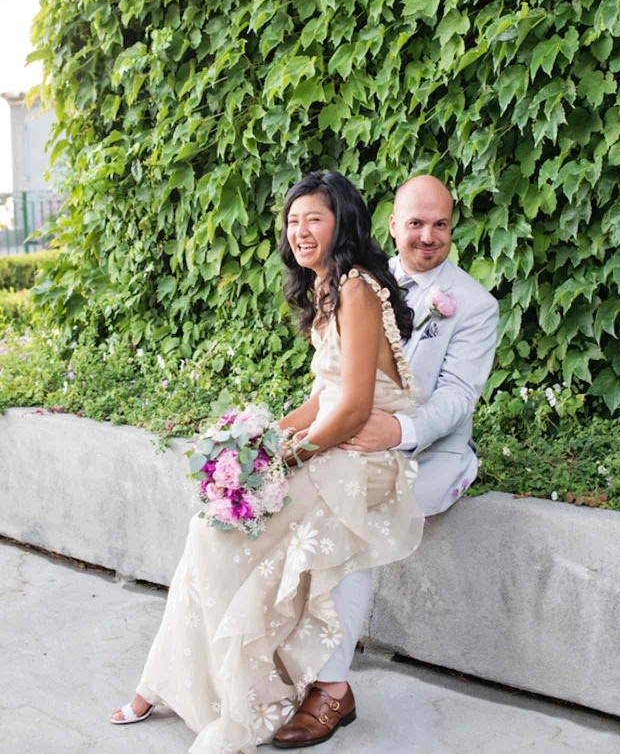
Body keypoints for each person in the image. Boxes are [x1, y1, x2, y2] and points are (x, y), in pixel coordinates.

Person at [110, 170, 425, 754]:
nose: (301, 231)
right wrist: (257, 443)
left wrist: (286, 460)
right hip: (332, 447)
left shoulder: (356, 288)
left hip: (359, 462)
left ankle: (220, 693)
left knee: (220, 536)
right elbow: (322, 398)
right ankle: (167, 681)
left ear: (343, 224)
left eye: (315, 219)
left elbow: (354, 409)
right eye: (293, 220)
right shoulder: (329, 289)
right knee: (208, 529)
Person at [276, 174, 499, 746]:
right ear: (393, 226)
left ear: (452, 228)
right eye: (415, 224)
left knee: (358, 516)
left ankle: (332, 690)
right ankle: (285, 666)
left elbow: (456, 398)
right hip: (357, 439)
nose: (428, 236)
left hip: (435, 456)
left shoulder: (474, 305)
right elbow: (332, 382)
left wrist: (396, 430)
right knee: (299, 500)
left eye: (440, 224)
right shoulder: (359, 282)